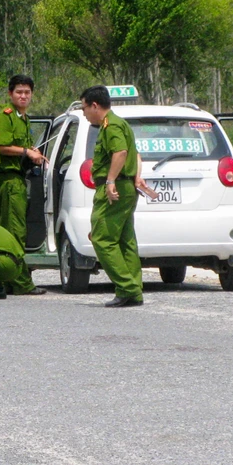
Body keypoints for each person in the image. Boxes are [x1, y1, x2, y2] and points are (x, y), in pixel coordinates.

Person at [80, 85, 147, 307]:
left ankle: (126, 287)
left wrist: (109, 181)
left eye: (85, 108)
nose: (84, 113)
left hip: (116, 188)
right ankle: (133, 291)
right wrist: (136, 177)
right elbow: (136, 154)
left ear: (95, 106)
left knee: (102, 238)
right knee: (125, 240)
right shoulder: (121, 123)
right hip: (126, 186)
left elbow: (121, 153)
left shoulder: (111, 126)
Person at [0, 75, 47, 296]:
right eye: (19, 92)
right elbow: (1, 146)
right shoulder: (5, 117)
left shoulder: (24, 118)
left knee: (16, 230)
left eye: (27, 92)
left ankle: (11, 278)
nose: (23, 96)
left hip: (18, 180)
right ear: (10, 94)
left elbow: (21, 145)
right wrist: (26, 152)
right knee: (14, 233)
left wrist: (33, 152)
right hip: (8, 180)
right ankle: (20, 282)